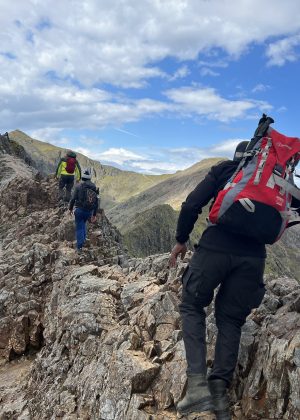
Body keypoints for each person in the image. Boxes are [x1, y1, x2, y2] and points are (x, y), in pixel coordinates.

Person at [169, 140, 267, 420]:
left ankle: (198, 385)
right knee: (231, 320)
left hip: (215, 249)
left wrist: (181, 240)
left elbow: (191, 205)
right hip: (254, 258)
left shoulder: (225, 170)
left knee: (191, 305)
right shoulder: (269, 182)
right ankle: (219, 394)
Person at [69, 168, 99, 252]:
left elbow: (73, 199)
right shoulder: (94, 187)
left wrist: (70, 209)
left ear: (83, 177)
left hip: (79, 210)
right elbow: (96, 202)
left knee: (79, 227)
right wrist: (94, 215)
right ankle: (84, 240)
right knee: (83, 224)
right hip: (89, 212)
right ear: (89, 178)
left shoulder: (79, 186)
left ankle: (79, 247)